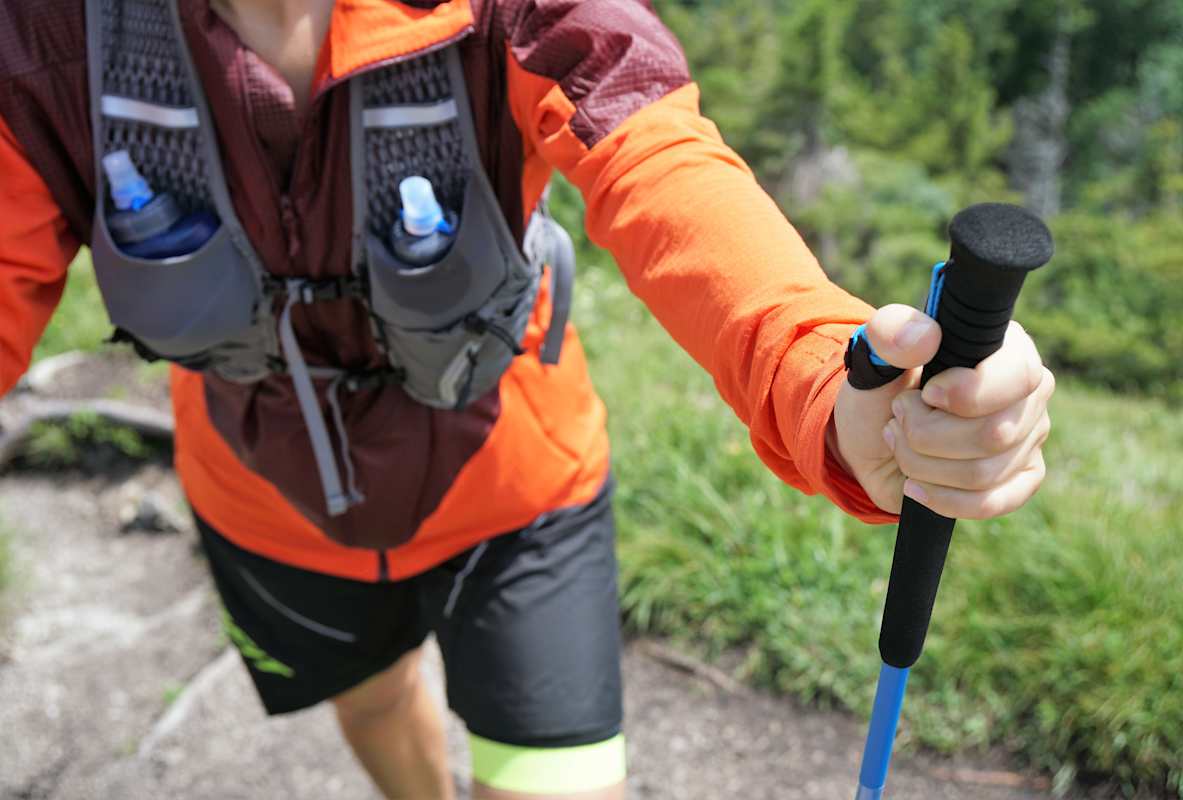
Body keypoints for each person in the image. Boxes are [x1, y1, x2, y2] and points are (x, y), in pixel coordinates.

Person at [0, 0, 1055, 797]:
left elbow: (655, 157)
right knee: (371, 698)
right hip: (268, 504)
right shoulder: (44, 38)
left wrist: (826, 373)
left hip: (518, 490)